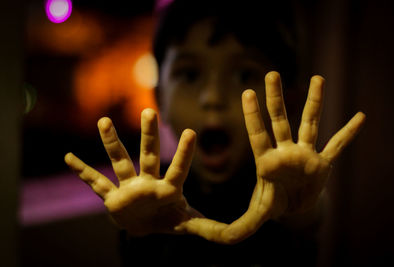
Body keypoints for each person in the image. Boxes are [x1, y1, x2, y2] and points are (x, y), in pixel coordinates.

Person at [64, 0, 365, 265]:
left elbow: (305, 220)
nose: (212, 97)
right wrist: (136, 231)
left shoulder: (287, 192)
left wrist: (299, 207)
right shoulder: (153, 192)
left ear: (290, 101)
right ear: (160, 99)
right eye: (190, 74)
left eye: (243, 74)